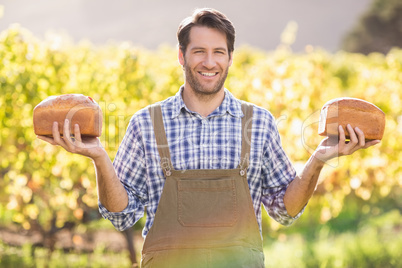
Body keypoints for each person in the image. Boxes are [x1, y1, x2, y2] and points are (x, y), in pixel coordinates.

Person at [37, 8, 380, 268]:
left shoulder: (257, 122)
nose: (209, 62)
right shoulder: (146, 123)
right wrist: (99, 157)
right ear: (181, 56)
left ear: (230, 58)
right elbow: (122, 216)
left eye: (218, 52)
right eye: (198, 51)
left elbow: (284, 211)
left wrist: (318, 159)